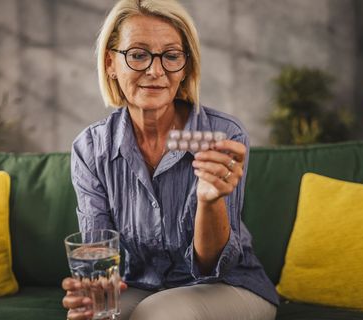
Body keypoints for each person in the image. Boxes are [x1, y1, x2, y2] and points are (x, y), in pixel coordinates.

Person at [62, 0, 278, 319]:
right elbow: (98, 253)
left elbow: (212, 264)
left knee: (157, 313)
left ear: (185, 66)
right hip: (141, 285)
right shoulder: (91, 148)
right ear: (110, 62)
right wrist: (90, 294)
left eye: (171, 56)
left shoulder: (222, 135)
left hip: (225, 284)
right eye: (138, 54)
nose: (156, 71)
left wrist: (210, 200)